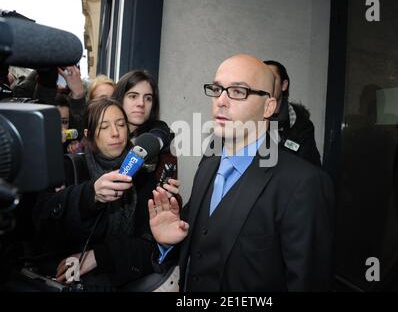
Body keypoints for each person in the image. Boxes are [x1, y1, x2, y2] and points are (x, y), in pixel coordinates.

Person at [148, 54, 334, 291]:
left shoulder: (304, 184)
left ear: (269, 106)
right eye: (217, 89)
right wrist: (168, 243)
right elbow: (202, 251)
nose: (221, 101)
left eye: (238, 91)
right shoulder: (207, 169)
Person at [32, 99, 180, 288]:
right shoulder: (69, 168)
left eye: (121, 124)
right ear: (89, 134)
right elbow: (41, 223)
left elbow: (149, 245)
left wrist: (99, 256)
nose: (116, 133)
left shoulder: (142, 173)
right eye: (104, 127)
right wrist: (90, 195)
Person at [264, 60, 322, 166]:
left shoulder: (302, 126)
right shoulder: (244, 119)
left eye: (271, 79)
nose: (265, 84)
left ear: (284, 85)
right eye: (260, 79)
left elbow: (312, 168)